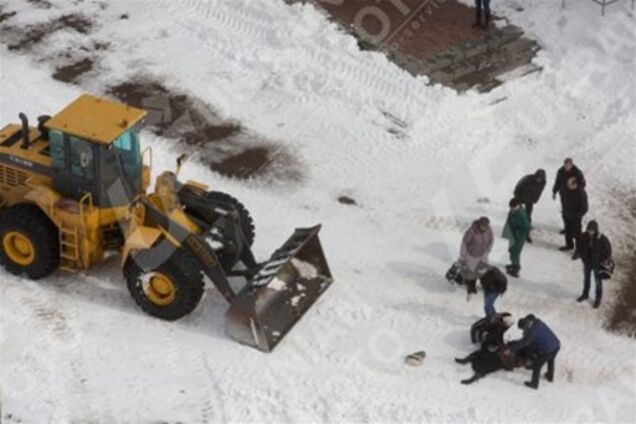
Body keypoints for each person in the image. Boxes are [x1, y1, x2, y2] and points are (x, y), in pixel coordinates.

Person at [510, 314, 561, 390]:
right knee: (551, 360)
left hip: (547, 350)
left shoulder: (532, 332)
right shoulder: (538, 322)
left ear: (524, 325)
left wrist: (512, 349)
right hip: (556, 345)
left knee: (537, 366)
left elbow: (525, 342)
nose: (523, 330)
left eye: (522, 329)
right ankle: (550, 376)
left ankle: (534, 384)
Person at [576, 220, 612, 308]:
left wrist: (600, 259)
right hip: (587, 263)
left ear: (596, 230)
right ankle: (585, 294)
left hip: (597, 265)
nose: (590, 232)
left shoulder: (602, 238)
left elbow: (608, 251)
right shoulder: (583, 236)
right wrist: (582, 256)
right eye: (588, 229)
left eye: (592, 230)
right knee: (586, 280)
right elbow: (579, 247)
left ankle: (598, 299)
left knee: (598, 282)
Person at [459, 217, 494, 297]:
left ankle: (485, 285)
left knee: (482, 270)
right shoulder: (471, 231)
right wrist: (462, 254)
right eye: (483, 227)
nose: (485, 228)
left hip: (483, 254)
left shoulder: (489, 230)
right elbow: (464, 243)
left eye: (486, 227)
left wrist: (488, 250)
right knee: (472, 272)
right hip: (471, 255)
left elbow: (491, 240)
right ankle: (471, 287)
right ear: (479, 224)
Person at [552, 158, 586, 233]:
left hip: (574, 197)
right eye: (565, 165)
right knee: (565, 213)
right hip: (564, 196)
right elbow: (557, 182)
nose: (566, 167)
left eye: (567, 166)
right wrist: (554, 191)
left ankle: (576, 230)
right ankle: (567, 228)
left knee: (574, 214)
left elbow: (583, 184)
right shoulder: (560, 171)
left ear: (571, 165)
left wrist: (576, 190)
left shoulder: (577, 172)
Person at [513, 169, 547, 243]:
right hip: (520, 197)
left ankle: (526, 234)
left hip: (530, 200)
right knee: (518, 215)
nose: (538, 180)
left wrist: (535, 199)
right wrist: (517, 199)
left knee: (528, 216)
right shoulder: (527, 179)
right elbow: (518, 187)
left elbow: (539, 192)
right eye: (537, 178)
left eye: (540, 179)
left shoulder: (543, 182)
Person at [559, 177, 588, 256]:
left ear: (575, 184)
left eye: (569, 184)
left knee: (577, 234)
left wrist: (577, 215)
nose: (567, 185)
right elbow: (563, 199)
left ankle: (579, 250)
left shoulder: (581, 193)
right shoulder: (566, 189)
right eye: (567, 184)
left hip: (576, 218)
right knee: (568, 231)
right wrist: (564, 211)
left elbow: (584, 208)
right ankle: (569, 245)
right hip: (566, 214)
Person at [502, 198, 530, 278]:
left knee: (515, 251)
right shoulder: (516, 210)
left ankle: (515, 268)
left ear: (517, 205)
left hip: (518, 237)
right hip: (514, 234)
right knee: (512, 250)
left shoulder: (520, 214)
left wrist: (518, 233)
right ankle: (513, 264)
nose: (511, 209)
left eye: (512, 207)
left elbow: (527, 226)